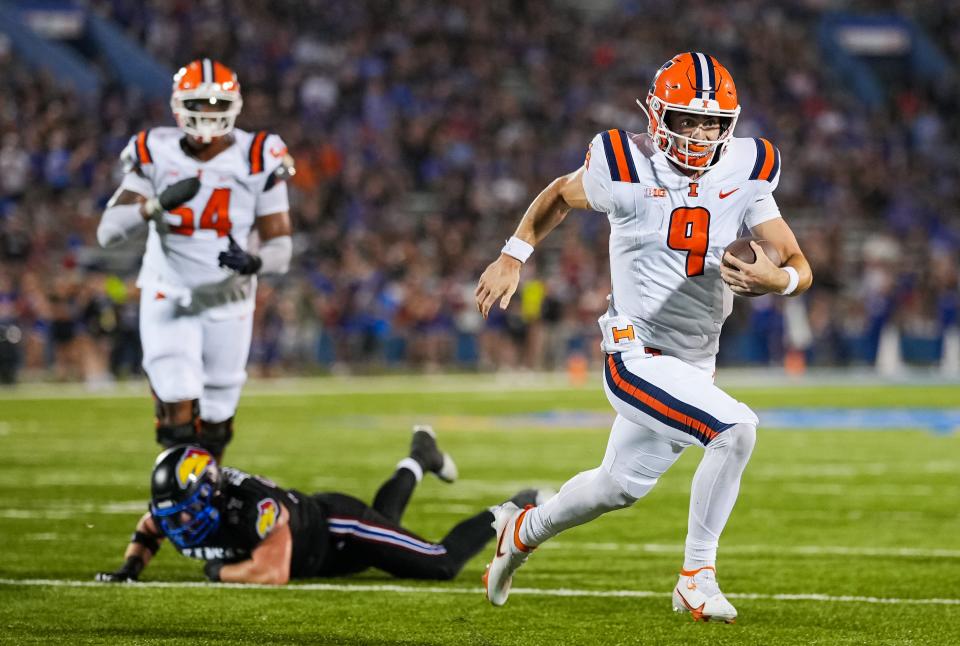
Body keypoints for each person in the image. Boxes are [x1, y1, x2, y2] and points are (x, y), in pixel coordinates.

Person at [475, 52, 812, 622]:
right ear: (658, 116)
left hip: (694, 360)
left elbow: (798, 262)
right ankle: (695, 577)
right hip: (636, 350)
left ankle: (521, 530)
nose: (701, 134)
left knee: (617, 487)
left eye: (712, 123)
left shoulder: (750, 166)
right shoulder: (622, 163)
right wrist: (514, 254)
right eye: (687, 120)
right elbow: (559, 193)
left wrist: (775, 278)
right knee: (734, 430)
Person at [96, 59, 294, 460]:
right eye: (197, 103)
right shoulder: (155, 149)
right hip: (168, 290)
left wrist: (254, 262)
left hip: (229, 298)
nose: (206, 114)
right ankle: (175, 504)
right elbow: (108, 232)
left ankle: (209, 500)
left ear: (233, 106)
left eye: (214, 104)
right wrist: (153, 206)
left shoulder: (258, 153)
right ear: (178, 105)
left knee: (219, 416)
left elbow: (281, 248)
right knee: (175, 401)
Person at [96, 427, 544, 584]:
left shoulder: (254, 507)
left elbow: (271, 573)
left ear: (211, 493)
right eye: (178, 512)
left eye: (188, 510)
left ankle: (510, 510)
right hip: (325, 549)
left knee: (438, 562)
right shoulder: (184, 506)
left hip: (337, 529)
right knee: (388, 524)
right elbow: (151, 524)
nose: (183, 522)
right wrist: (131, 567)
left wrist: (218, 571)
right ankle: (418, 457)